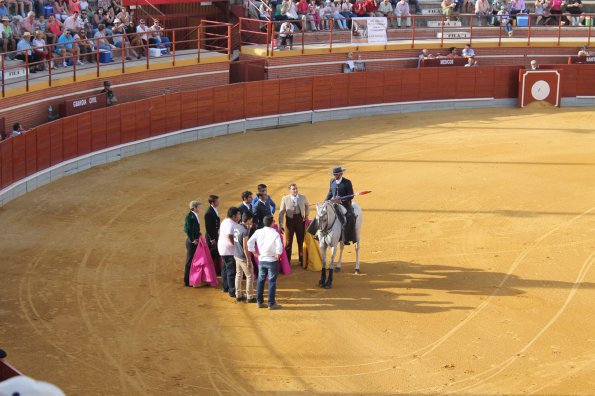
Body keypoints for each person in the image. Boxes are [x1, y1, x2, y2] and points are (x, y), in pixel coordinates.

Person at [248, 215, 283, 310]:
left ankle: (259, 302)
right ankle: (271, 303)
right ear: (272, 223)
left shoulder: (258, 232)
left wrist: (254, 252)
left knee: (261, 280)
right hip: (272, 260)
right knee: (272, 282)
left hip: (262, 260)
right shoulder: (275, 233)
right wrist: (277, 255)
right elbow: (279, 248)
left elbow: (249, 243)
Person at [278, 183, 309, 266]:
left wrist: (306, 215)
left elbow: (307, 205)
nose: (295, 190)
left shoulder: (303, 197)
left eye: (296, 188)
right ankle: (287, 261)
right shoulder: (285, 198)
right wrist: (280, 223)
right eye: (293, 189)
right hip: (289, 221)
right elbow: (281, 212)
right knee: (288, 241)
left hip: (300, 220)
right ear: (290, 190)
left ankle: (302, 259)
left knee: (301, 240)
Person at [325, 165, 356, 244]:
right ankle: (317, 233)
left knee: (351, 217)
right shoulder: (332, 181)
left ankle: (346, 237)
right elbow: (330, 193)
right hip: (333, 204)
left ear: (341, 174)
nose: (335, 176)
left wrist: (341, 201)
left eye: (336, 174)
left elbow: (351, 195)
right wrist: (325, 201)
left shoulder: (347, 182)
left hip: (345, 204)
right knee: (322, 213)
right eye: (334, 174)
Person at [218, 207, 241, 298]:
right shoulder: (231, 224)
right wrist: (234, 245)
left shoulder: (225, 221)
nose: (240, 216)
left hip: (222, 248)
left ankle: (225, 287)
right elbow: (229, 235)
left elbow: (220, 232)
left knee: (224, 268)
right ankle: (232, 290)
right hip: (229, 250)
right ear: (234, 216)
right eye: (238, 214)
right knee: (231, 271)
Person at [234, 212, 256, 303]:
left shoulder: (237, 226)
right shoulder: (245, 231)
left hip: (236, 255)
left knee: (238, 274)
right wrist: (248, 260)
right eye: (251, 219)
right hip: (243, 257)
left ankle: (238, 294)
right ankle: (250, 296)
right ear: (248, 220)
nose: (252, 221)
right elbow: (245, 247)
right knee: (250, 275)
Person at [183, 200, 202, 287]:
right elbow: (186, 230)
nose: (200, 208)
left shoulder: (194, 215)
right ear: (194, 208)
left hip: (195, 240)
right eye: (199, 207)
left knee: (192, 260)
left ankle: (191, 278)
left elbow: (194, 229)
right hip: (191, 242)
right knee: (189, 261)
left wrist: (199, 234)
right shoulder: (190, 217)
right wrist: (192, 239)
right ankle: (186, 281)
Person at [204, 194, 221, 276]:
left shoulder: (214, 209)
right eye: (217, 201)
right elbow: (208, 227)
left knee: (216, 253)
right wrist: (212, 239)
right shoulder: (208, 213)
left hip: (215, 235)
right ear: (212, 202)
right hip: (212, 236)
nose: (218, 202)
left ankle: (216, 270)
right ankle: (210, 271)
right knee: (212, 253)